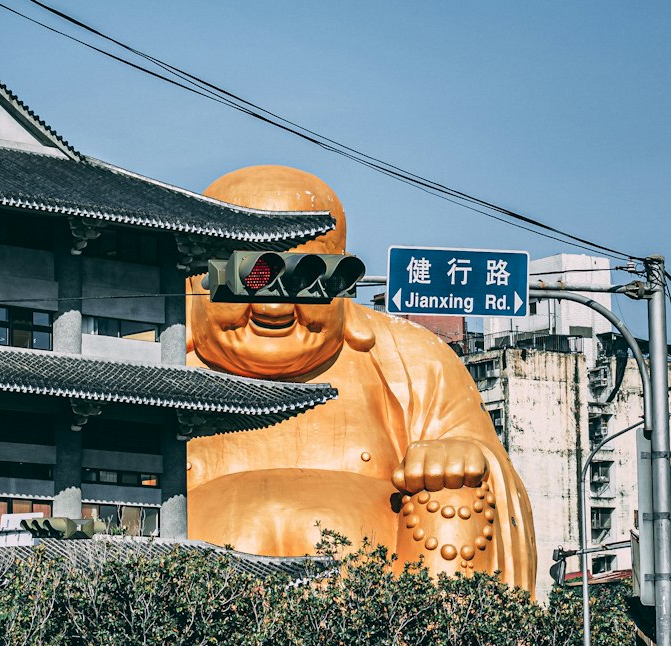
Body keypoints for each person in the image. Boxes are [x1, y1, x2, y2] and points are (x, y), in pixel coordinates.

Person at [186, 165, 537, 596]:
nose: (273, 308)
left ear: (342, 283)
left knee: (458, 490)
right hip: (180, 633)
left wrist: (456, 455)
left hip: (381, 636)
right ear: (195, 279)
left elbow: (498, 482)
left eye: (305, 279)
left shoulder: (414, 360)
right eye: (250, 278)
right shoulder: (144, 360)